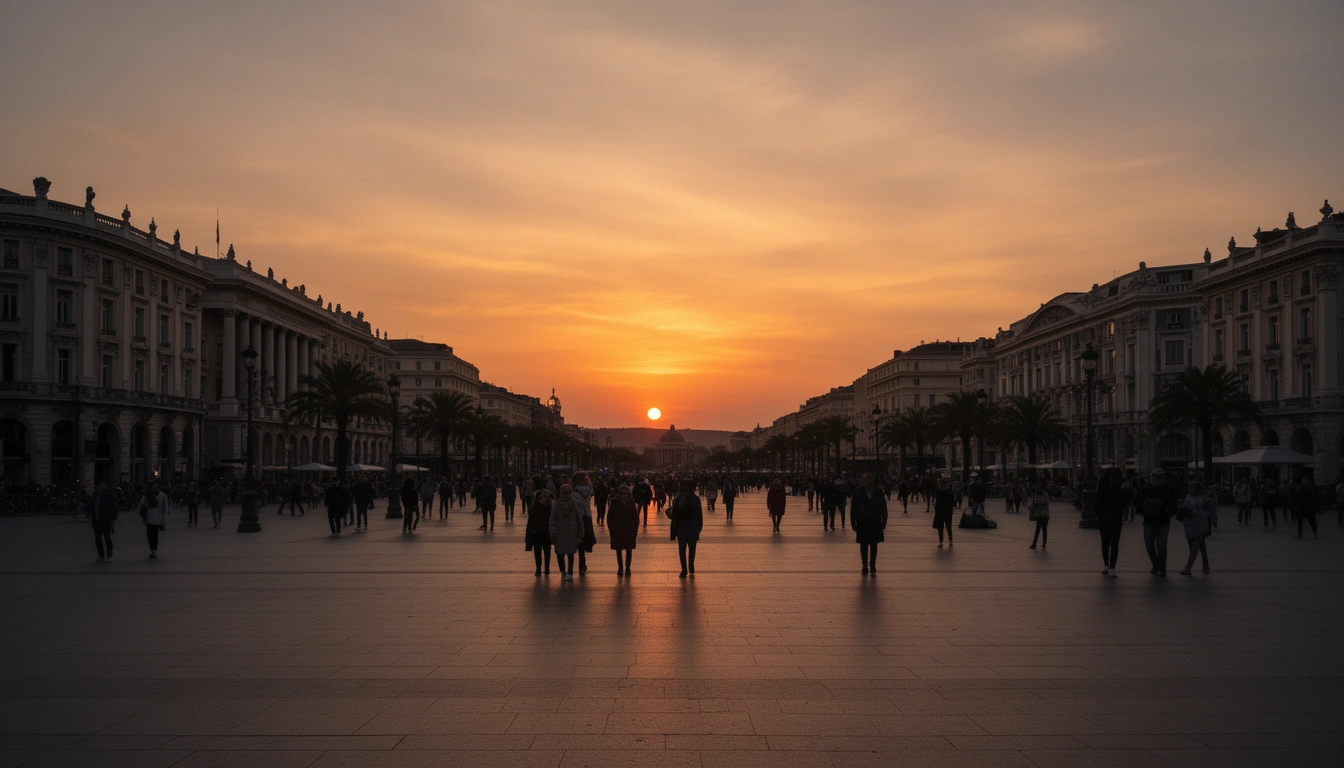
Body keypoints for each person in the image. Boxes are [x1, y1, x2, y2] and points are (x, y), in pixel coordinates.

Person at [1136, 468, 1178, 577]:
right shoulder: (1145, 490)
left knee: (1161, 546)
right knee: (1149, 545)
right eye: (1154, 478)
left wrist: (1168, 513)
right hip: (1149, 522)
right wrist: (1143, 511)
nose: (1157, 480)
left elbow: (1174, 506)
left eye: (1159, 478)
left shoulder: (1169, 491)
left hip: (1163, 522)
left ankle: (1162, 568)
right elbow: (1138, 502)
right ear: (1151, 478)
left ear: (1163, 479)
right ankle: (1156, 565)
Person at [851, 473, 888, 576]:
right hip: (862, 522)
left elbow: (883, 507)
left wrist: (884, 521)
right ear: (862, 481)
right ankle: (864, 565)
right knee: (863, 545)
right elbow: (853, 508)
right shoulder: (858, 492)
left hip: (875, 521)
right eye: (866, 479)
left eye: (870, 479)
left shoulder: (878, 491)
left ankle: (872, 564)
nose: (868, 481)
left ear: (873, 481)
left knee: (874, 545)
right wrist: (853, 523)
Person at [1177, 480, 1214, 575]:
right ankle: (1205, 563)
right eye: (1191, 488)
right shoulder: (1188, 498)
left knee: (1194, 548)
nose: (1193, 491)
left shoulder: (1205, 498)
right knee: (1200, 545)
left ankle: (1188, 568)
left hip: (1201, 525)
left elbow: (1210, 510)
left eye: (1195, 489)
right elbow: (1184, 509)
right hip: (1190, 525)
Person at [549, 484, 584, 580]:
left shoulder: (574, 504)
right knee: (560, 554)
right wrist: (553, 531)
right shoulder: (556, 504)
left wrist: (581, 532)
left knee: (570, 554)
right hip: (559, 533)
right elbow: (552, 519)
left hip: (571, 532)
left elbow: (579, 518)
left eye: (567, 492)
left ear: (571, 493)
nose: (565, 495)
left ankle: (570, 572)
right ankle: (563, 571)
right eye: (563, 493)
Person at [670, 479, 704, 578]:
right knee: (689, 548)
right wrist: (699, 528)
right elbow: (699, 515)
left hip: (684, 527)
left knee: (684, 549)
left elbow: (698, 515)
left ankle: (686, 568)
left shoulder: (679, 499)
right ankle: (687, 567)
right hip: (689, 527)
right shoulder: (691, 499)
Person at [1095, 469, 1124, 576]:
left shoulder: (1118, 490)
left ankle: (1112, 567)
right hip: (1106, 519)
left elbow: (1123, 503)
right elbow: (1097, 505)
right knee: (1106, 543)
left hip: (1115, 520)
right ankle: (1107, 565)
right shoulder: (1102, 491)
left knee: (1114, 543)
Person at [607, 483, 639, 576]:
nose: (623, 495)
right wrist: (612, 529)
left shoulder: (631, 503)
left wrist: (635, 528)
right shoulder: (614, 503)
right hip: (617, 530)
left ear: (628, 494)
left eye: (625, 493)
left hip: (629, 530)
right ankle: (620, 568)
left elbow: (635, 517)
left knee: (629, 550)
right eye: (621, 493)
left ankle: (628, 568)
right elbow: (610, 517)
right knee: (619, 550)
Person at [525, 489, 553, 576]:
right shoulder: (534, 508)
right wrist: (528, 535)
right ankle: (538, 568)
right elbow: (530, 522)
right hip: (537, 533)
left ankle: (547, 568)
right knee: (537, 551)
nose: (543, 499)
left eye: (545, 497)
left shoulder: (550, 508)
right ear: (537, 498)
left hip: (547, 533)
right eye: (541, 497)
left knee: (547, 551)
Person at [138, 482, 169, 558]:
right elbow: (140, 505)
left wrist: (164, 521)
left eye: (156, 487)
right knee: (149, 536)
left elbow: (165, 509)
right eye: (153, 487)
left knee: (155, 535)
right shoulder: (147, 496)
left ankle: (154, 550)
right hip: (149, 519)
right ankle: (152, 549)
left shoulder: (163, 496)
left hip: (157, 519)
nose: (155, 489)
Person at [90, 481, 119, 562]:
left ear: (106, 486)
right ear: (97, 487)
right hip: (96, 520)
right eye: (100, 485)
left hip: (106, 520)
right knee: (98, 539)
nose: (102, 487)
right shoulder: (95, 495)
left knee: (107, 536)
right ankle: (101, 556)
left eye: (103, 485)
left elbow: (114, 508)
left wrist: (112, 518)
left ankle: (109, 549)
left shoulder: (110, 495)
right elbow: (92, 506)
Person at [932, 476, 955, 547]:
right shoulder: (939, 491)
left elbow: (952, 502)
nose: (943, 486)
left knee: (948, 527)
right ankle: (941, 541)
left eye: (944, 484)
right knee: (940, 527)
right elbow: (937, 502)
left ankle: (950, 540)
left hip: (947, 512)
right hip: (941, 512)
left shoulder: (949, 492)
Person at [1028, 480, 1051, 550]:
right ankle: (1034, 544)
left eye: (1038, 488)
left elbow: (1046, 502)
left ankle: (1043, 544)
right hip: (1038, 514)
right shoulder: (1036, 494)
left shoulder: (1045, 494)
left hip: (1045, 514)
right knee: (1037, 529)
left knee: (1044, 529)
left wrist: (1038, 502)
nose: (1037, 489)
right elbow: (1034, 502)